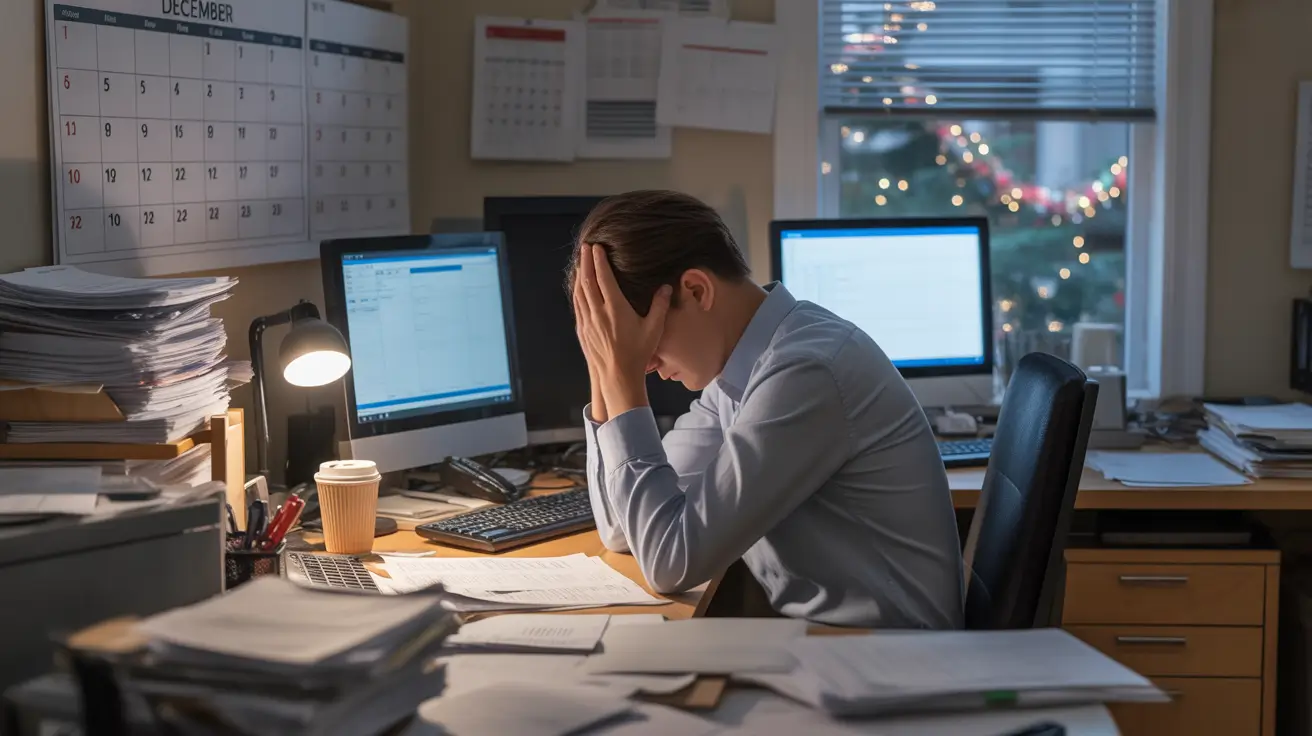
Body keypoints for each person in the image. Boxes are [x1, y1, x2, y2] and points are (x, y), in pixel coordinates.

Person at [570, 190, 963, 629]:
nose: (645, 363)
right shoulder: (741, 373)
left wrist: (622, 376)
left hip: (892, 661)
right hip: (831, 647)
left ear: (697, 290)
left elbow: (669, 562)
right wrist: (604, 365)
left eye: (640, 339)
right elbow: (625, 532)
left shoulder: (806, 372)